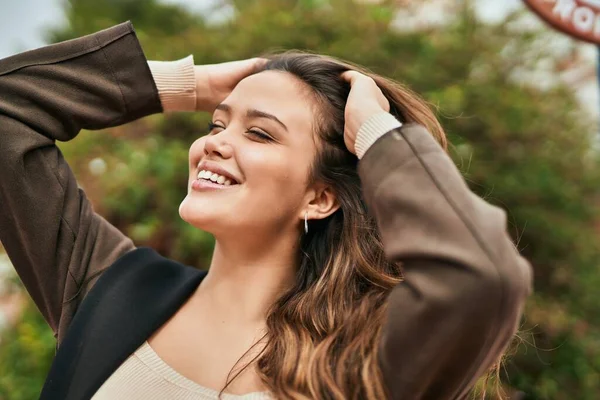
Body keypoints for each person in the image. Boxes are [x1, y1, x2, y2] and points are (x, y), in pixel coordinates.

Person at [0, 21, 532, 400]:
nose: (215, 143)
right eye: (215, 124)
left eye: (259, 133)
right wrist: (194, 86)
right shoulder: (109, 288)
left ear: (319, 197)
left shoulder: (363, 363)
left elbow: (483, 276)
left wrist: (377, 135)